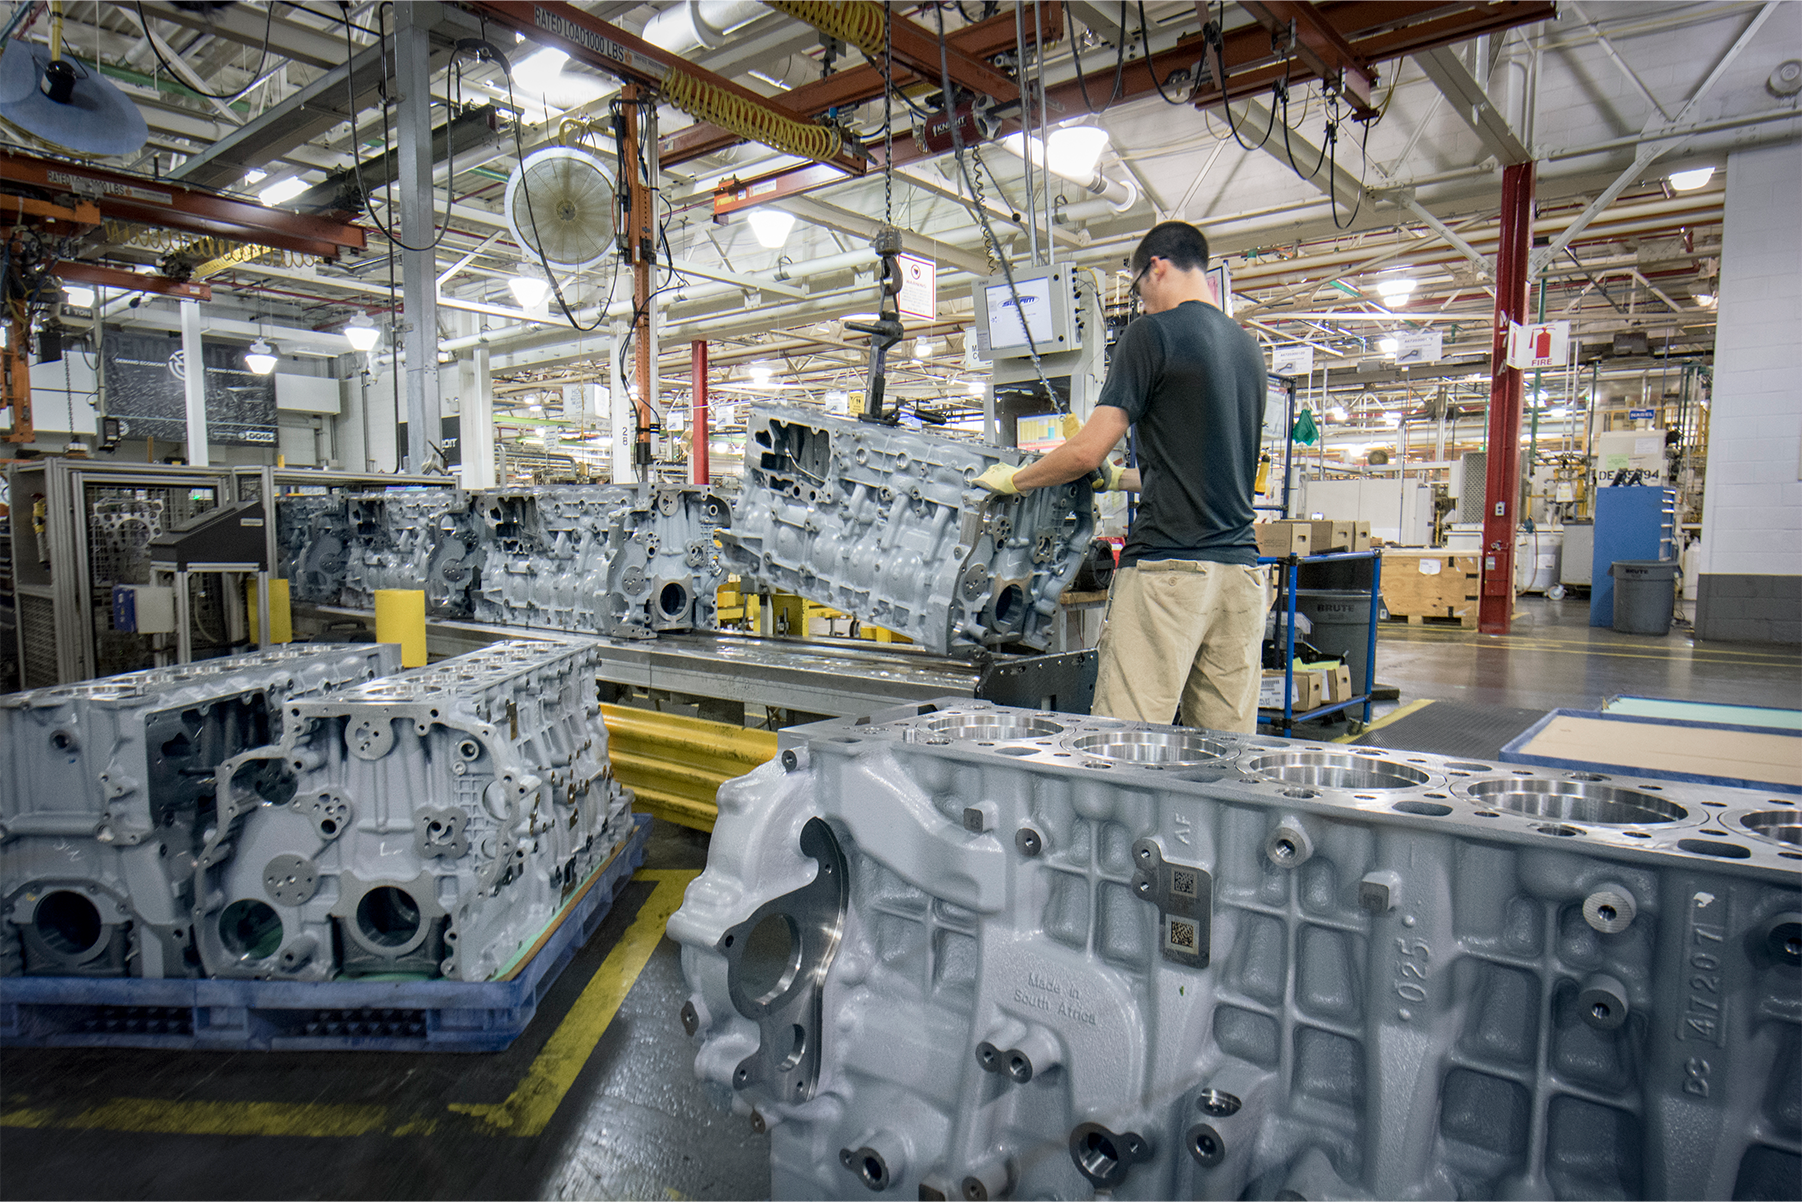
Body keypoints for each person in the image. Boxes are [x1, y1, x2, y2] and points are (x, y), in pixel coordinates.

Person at [973, 221, 1269, 732]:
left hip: (1169, 575)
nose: (1140, 304)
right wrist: (1119, 478)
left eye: (1136, 290)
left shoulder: (1152, 334)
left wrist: (1015, 480)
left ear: (1156, 267)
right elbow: (1205, 469)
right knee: (1227, 751)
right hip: (1240, 579)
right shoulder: (1248, 350)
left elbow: (1084, 453)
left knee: (1123, 743)